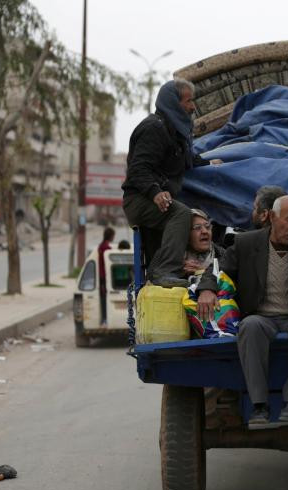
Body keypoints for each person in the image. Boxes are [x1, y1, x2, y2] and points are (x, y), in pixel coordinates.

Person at [197, 195, 288, 424]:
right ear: (273, 218)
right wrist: (207, 290)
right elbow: (218, 270)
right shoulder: (246, 243)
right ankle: (259, 405)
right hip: (261, 317)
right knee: (250, 326)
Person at [121, 79, 221, 288]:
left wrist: (210, 163)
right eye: (188, 101)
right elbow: (138, 169)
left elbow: (188, 160)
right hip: (139, 199)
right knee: (181, 214)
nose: (193, 106)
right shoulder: (153, 128)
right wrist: (155, 192)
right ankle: (164, 270)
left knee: (185, 212)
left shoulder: (176, 132)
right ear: (173, 103)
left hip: (159, 198)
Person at [183, 208, 225, 284]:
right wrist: (179, 270)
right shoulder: (173, 256)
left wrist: (204, 272)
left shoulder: (223, 255)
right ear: (186, 233)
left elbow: (230, 284)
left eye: (207, 226)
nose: (205, 231)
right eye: (197, 228)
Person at [98, 227, 115, 325]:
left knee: (103, 297)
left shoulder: (101, 246)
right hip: (104, 276)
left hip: (102, 276)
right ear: (110, 236)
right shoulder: (106, 248)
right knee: (105, 298)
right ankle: (105, 318)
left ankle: (104, 318)